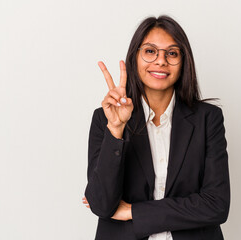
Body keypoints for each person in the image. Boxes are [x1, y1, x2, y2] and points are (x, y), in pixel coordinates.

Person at [82, 15, 230, 240]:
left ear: (183, 61)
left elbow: (216, 204)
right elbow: (101, 205)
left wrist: (133, 211)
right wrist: (116, 130)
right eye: (150, 51)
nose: (161, 61)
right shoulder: (105, 119)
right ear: (135, 58)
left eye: (172, 53)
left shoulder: (208, 119)